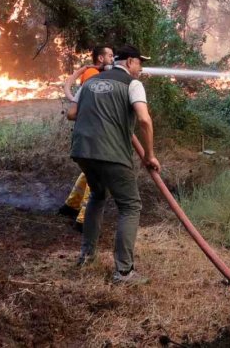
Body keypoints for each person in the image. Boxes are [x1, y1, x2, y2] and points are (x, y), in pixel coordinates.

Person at [68, 43, 160, 285]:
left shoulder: (90, 81)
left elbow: (72, 114)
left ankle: (86, 256)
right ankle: (124, 272)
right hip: (112, 154)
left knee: (97, 195)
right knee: (130, 206)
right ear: (129, 62)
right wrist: (149, 155)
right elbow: (144, 120)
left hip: (83, 151)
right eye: (140, 63)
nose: (140, 68)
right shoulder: (133, 84)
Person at [58, 46, 115, 229]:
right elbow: (91, 103)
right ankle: (84, 220)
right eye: (110, 55)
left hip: (91, 133)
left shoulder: (94, 73)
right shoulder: (92, 74)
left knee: (89, 171)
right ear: (100, 58)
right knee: (98, 175)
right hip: (95, 133)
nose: (113, 59)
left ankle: (70, 206)